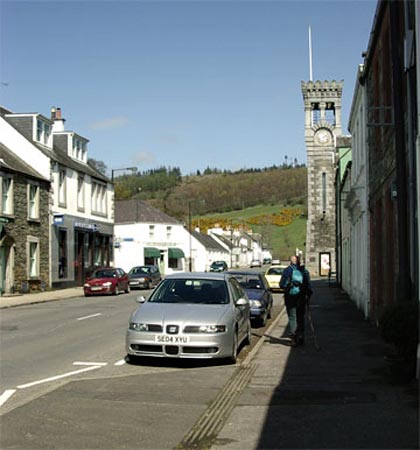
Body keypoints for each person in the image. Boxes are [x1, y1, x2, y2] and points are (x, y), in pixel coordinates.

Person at [280, 255, 312, 345]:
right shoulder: (304, 271)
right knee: (300, 317)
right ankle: (301, 335)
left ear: (290, 262)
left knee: (292, 317)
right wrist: (308, 297)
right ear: (299, 261)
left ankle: (293, 338)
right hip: (301, 297)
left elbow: (281, 285)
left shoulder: (287, 271)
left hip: (290, 298)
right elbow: (309, 287)